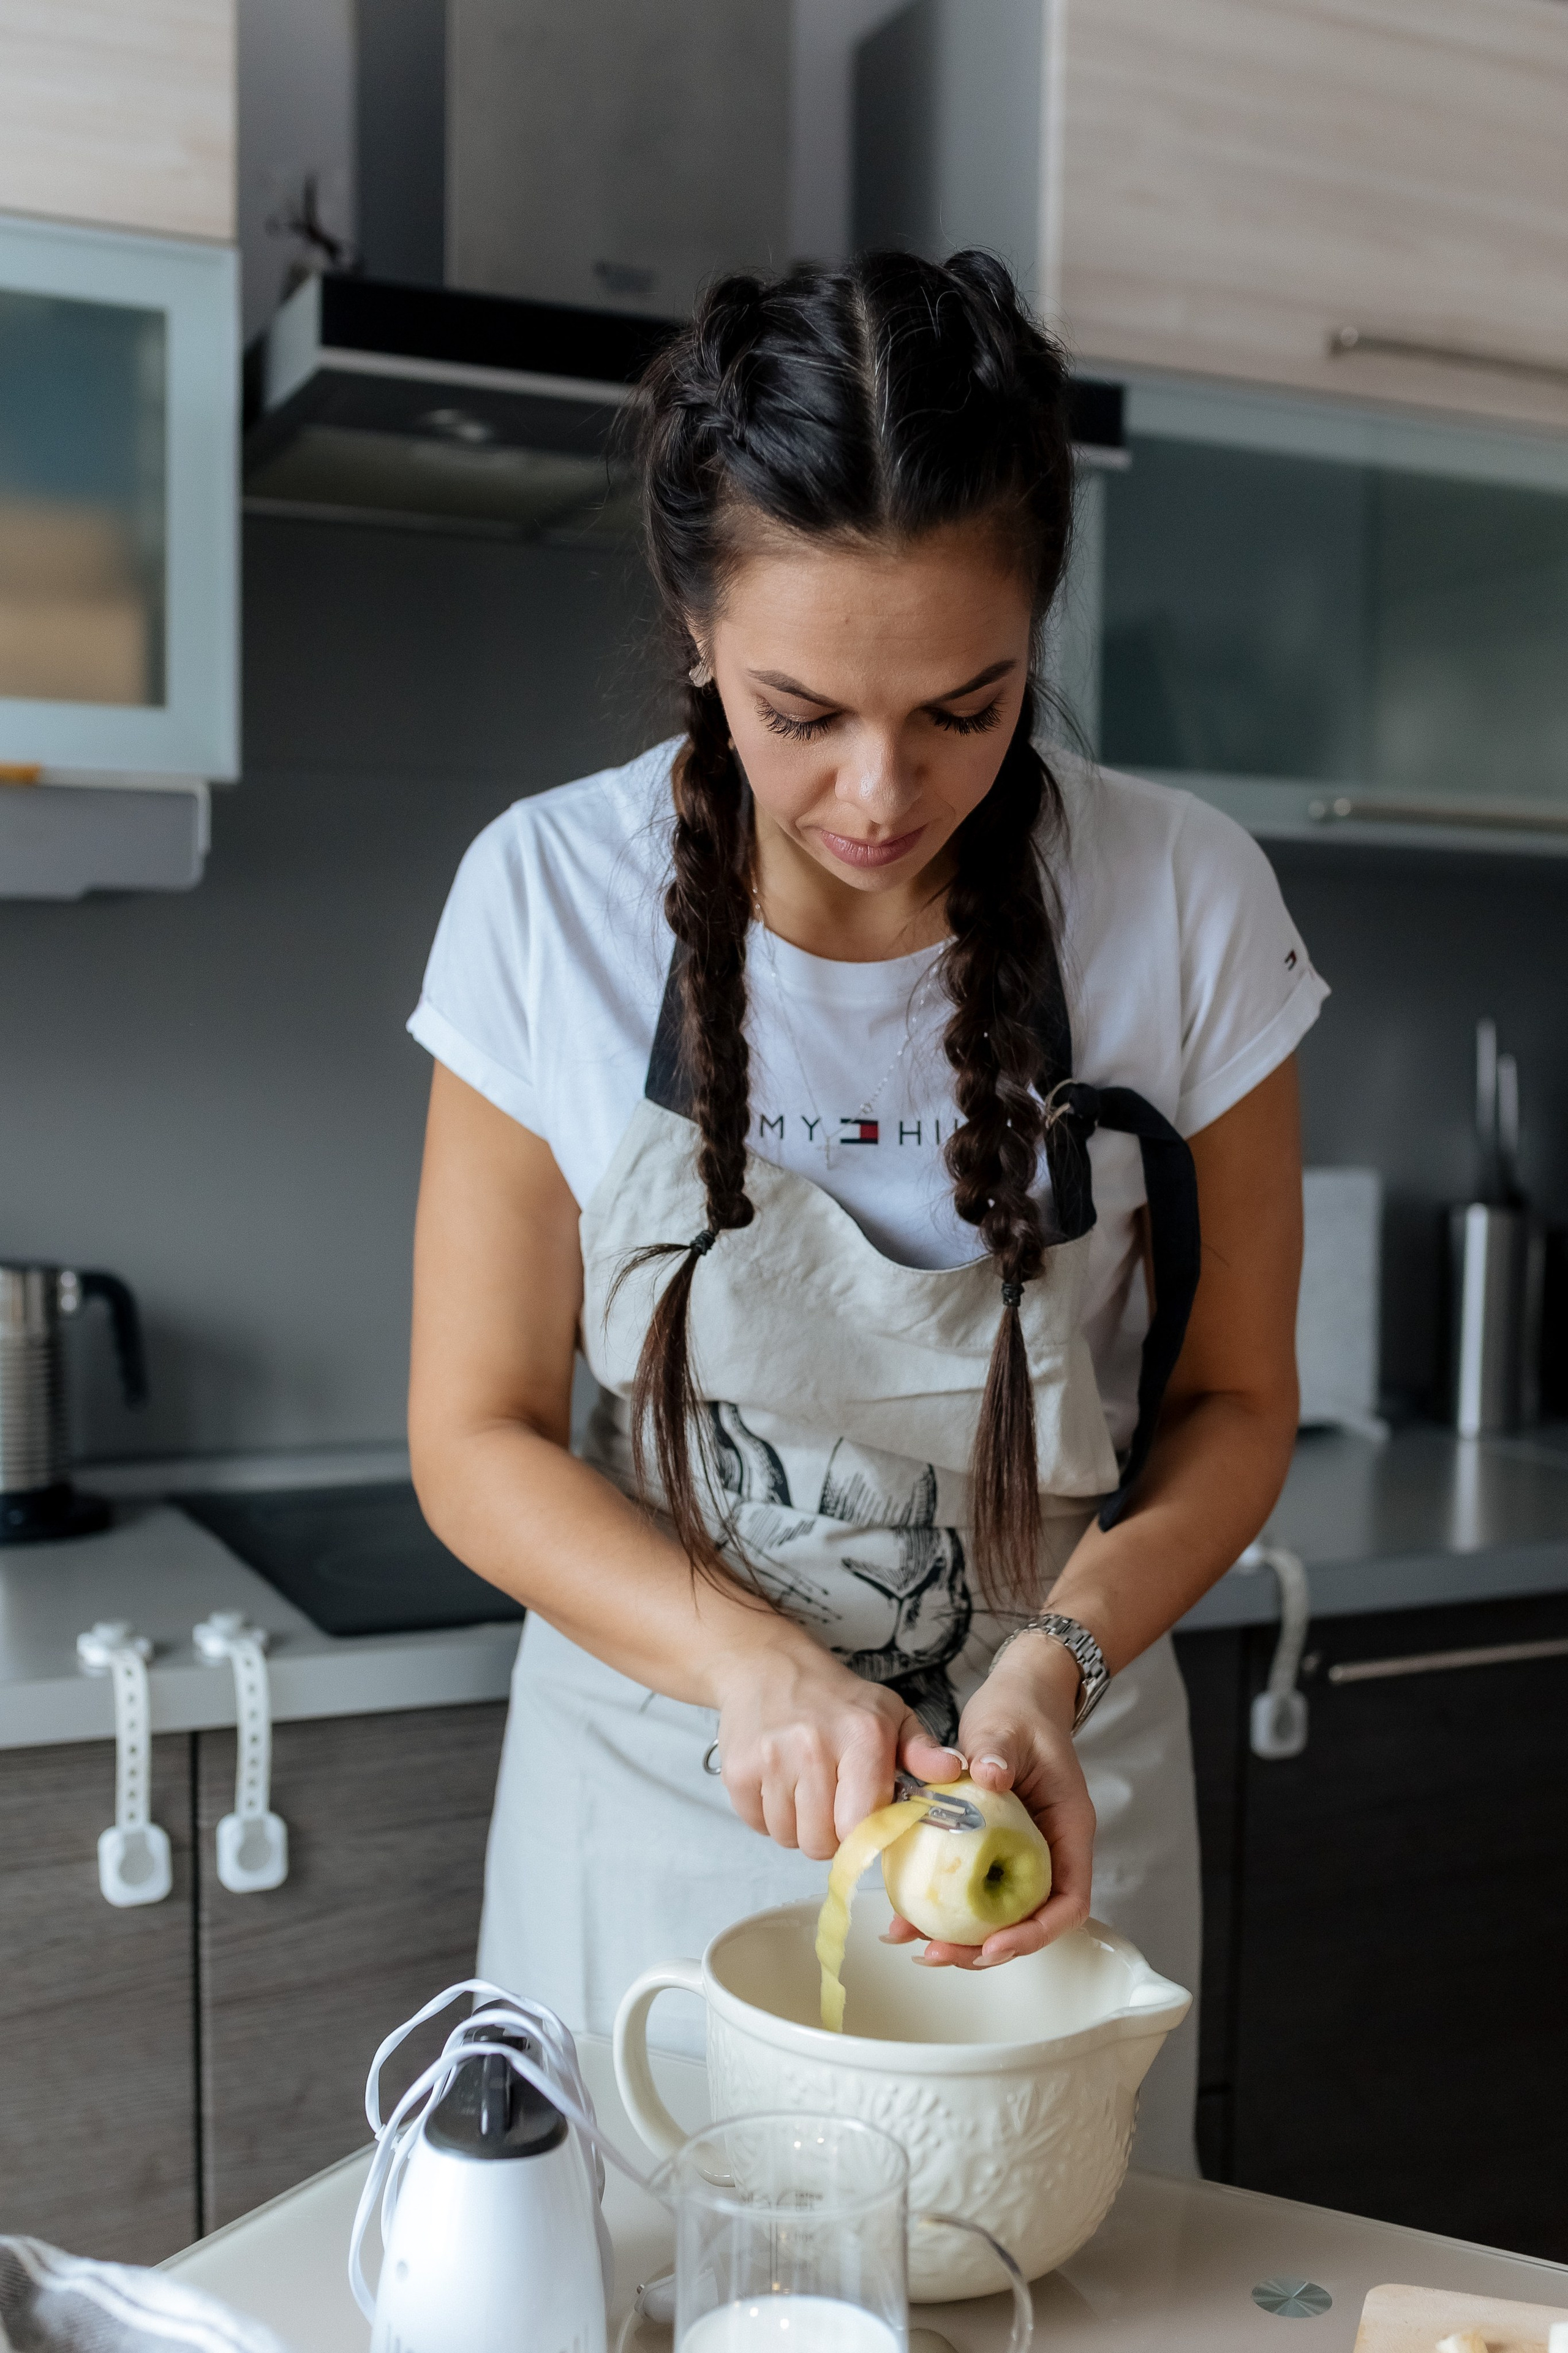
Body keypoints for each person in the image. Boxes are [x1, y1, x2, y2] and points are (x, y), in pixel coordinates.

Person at [406, 249, 1322, 2173]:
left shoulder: (1188, 904)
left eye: (966, 711)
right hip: (664, 1800)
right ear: (692, 620)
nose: (883, 790)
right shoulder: (546, 902)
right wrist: (752, 1662)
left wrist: (1050, 1666)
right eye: (800, 709)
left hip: (1048, 1802)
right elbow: (473, 1435)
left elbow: (1238, 1400)